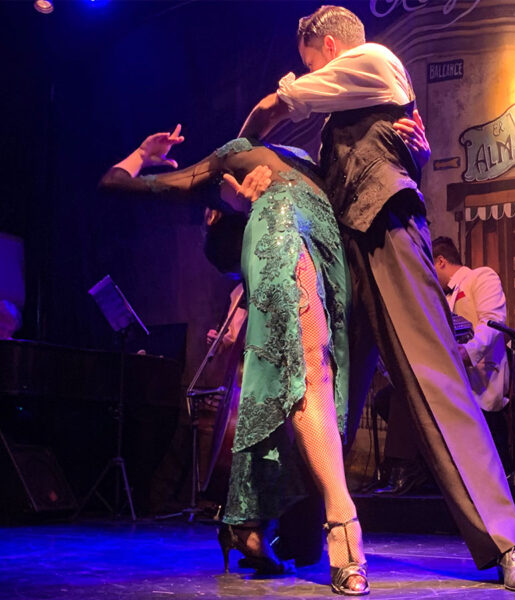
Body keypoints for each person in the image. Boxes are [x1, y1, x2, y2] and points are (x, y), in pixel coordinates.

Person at [238, 5, 515, 591]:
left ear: (327, 47)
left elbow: (280, 106)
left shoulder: (373, 60)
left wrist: (240, 143)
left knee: (436, 378)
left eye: (308, 62)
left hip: (387, 234)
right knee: (327, 392)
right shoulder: (353, 105)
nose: (308, 72)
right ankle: (303, 535)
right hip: (344, 251)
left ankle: (506, 542)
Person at [99, 127, 368, 594]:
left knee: (295, 382)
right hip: (281, 226)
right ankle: (343, 524)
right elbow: (114, 184)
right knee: (311, 364)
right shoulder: (219, 173)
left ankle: (246, 524)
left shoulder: (274, 151)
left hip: (329, 244)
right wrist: (142, 153)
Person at [373, 236, 512, 495]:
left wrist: (466, 352)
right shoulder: (440, 298)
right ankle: (411, 466)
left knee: (408, 394)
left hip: (477, 380)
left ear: (440, 261)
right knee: (387, 397)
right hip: (449, 381)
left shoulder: (482, 277)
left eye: (428, 269)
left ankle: (405, 470)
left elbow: (492, 322)